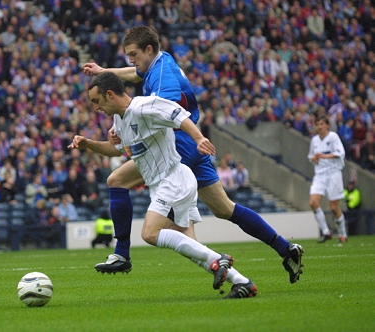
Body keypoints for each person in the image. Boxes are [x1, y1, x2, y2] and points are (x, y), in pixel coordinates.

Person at [82, 26, 303, 284]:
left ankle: (122, 254)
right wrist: (105, 72)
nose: (131, 60)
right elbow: (135, 73)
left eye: (133, 53)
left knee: (118, 182)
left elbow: (164, 107)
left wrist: (126, 126)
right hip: (193, 145)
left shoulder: (162, 74)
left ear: (149, 49)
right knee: (224, 209)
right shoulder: (159, 64)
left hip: (181, 143)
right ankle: (284, 249)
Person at [69, 72, 257, 299]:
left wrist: (198, 139)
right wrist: (88, 143)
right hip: (162, 184)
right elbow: (116, 149)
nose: (96, 107)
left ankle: (218, 260)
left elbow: (179, 116)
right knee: (191, 247)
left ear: (109, 94)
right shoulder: (120, 118)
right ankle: (243, 282)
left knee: (150, 233)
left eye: (96, 101)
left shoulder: (144, 106)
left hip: (173, 179)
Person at [308, 115, 348, 243]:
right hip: (319, 174)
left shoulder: (333, 137)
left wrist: (324, 156)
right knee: (313, 202)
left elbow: (340, 153)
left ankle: (343, 234)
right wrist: (313, 159)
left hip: (333, 174)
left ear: (327, 125)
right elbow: (311, 156)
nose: (319, 127)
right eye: (317, 124)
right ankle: (326, 232)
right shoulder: (314, 140)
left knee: (334, 208)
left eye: (321, 124)